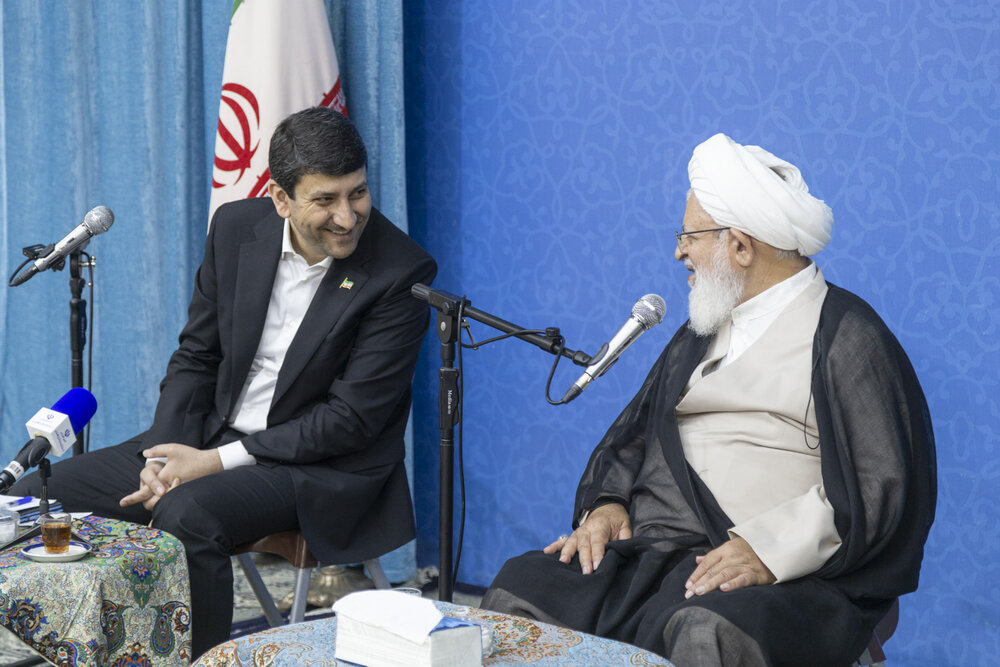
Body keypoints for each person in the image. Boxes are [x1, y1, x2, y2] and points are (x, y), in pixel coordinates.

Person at [482, 133, 935, 667]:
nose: (679, 252)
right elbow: (633, 437)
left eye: (689, 237)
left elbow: (881, 485)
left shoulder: (846, 335)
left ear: (740, 247)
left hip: (775, 570)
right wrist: (606, 506)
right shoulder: (699, 331)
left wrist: (768, 548)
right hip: (655, 553)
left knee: (705, 630)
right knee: (523, 587)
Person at [13, 106, 437, 659]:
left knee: (186, 515)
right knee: (34, 498)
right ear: (280, 198)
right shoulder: (237, 228)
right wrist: (162, 457)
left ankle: (204, 659)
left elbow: (349, 421)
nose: (347, 216)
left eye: (357, 193)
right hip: (212, 436)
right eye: (325, 200)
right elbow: (197, 355)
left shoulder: (401, 270)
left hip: (318, 466)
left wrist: (212, 463)